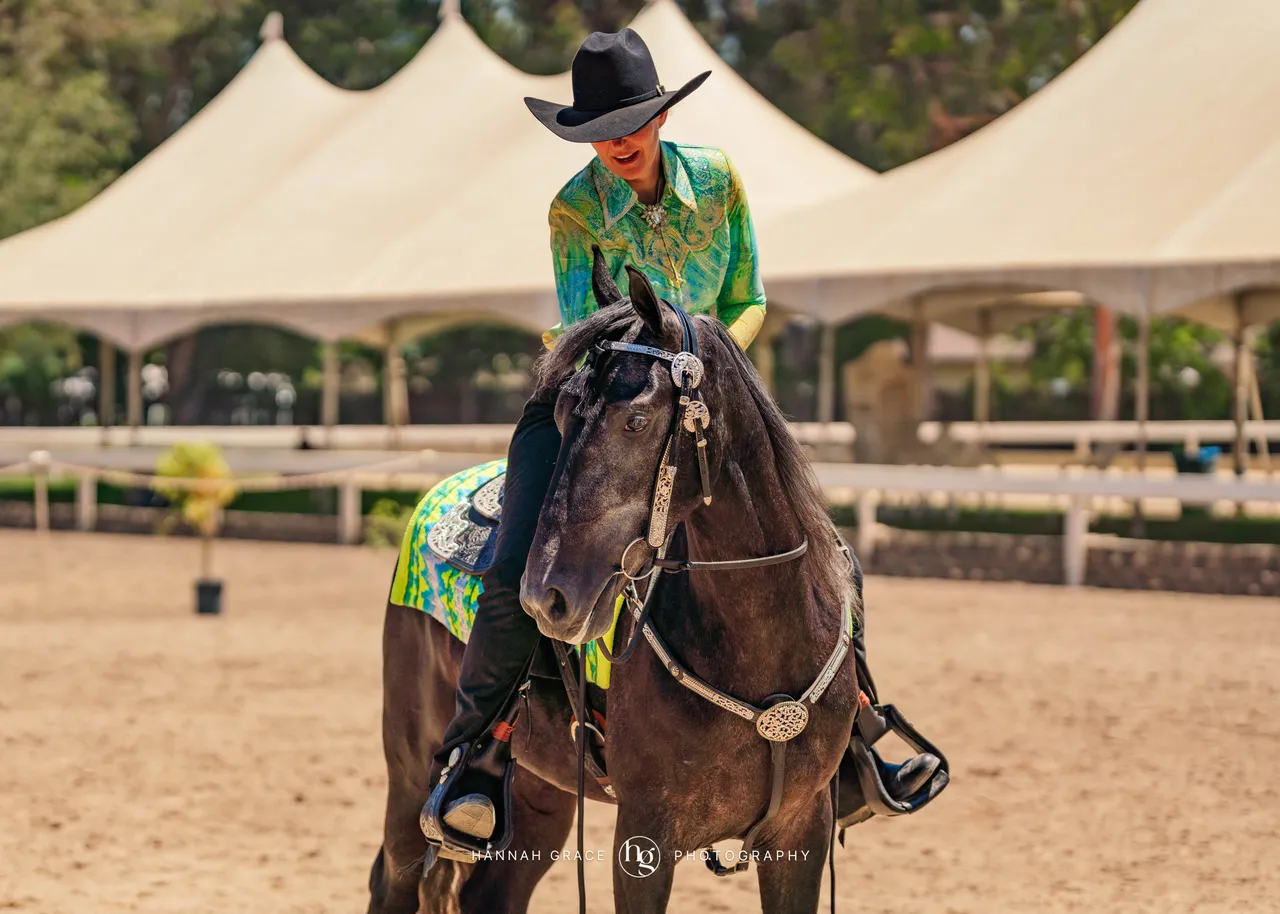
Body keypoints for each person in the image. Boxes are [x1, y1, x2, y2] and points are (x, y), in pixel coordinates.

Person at [422, 27, 942, 857]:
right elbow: (577, 332)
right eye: (600, 129)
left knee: (826, 551)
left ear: (659, 117)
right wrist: (656, 373)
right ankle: (474, 757)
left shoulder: (721, 179)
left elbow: (749, 295)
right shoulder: (573, 211)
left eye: (631, 120)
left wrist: (708, 367)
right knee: (520, 560)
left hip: (714, 393)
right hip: (596, 399)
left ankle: (852, 736)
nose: (617, 141)